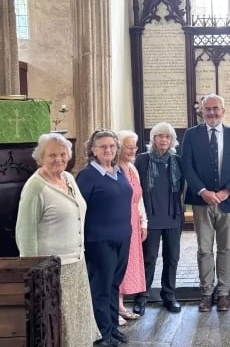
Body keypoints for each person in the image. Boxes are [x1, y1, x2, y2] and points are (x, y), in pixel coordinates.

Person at [15, 133, 99, 346]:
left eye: (63, 154)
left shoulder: (68, 178)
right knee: (59, 325)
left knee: (77, 321)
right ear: (41, 157)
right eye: (52, 155)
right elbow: (25, 233)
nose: (58, 159)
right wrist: (34, 272)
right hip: (52, 269)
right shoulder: (35, 187)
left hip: (76, 263)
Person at [181, 93, 230, 312]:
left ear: (223, 111)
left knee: (226, 248)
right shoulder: (191, 135)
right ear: (202, 111)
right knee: (204, 248)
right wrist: (202, 191)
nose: (212, 112)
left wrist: (228, 190)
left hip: (229, 202)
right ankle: (206, 293)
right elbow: (187, 166)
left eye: (216, 108)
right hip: (202, 203)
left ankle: (223, 293)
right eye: (208, 109)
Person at [76, 129, 132, 346]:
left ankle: (112, 328)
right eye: (103, 146)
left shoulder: (119, 172)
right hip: (99, 239)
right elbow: (79, 210)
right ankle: (102, 334)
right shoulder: (87, 176)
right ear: (93, 150)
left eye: (112, 146)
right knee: (101, 287)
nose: (108, 150)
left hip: (122, 236)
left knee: (114, 285)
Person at [133, 122, 184, 315]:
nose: (163, 140)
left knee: (172, 258)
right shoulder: (142, 160)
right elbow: (135, 190)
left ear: (172, 140)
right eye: (159, 136)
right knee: (149, 258)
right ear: (153, 139)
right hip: (150, 219)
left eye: (167, 137)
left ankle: (169, 295)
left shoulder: (177, 160)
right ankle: (142, 296)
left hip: (172, 217)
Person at [116, 130, 148, 325]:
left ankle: (120, 306)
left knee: (127, 265)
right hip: (120, 223)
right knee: (118, 266)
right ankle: (115, 308)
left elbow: (139, 199)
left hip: (134, 224)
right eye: (128, 147)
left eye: (134, 146)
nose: (132, 150)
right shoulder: (114, 169)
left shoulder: (132, 168)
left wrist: (144, 222)